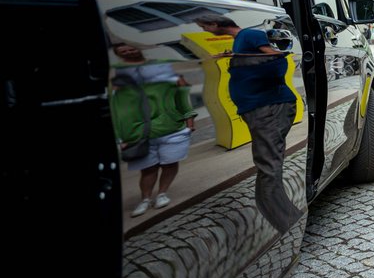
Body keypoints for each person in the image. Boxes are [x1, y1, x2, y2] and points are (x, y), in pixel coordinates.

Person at [195, 13, 303, 234]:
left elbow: (276, 57)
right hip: (263, 108)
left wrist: (240, 60)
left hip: (268, 108)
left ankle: (288, 224)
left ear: (215, 24)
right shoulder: (242, 40)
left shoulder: (250, 35)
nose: (205, 31)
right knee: (270, 164)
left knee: (268, 168)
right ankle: (284, 219)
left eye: (205, 27)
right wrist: (234, 57)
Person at [110, 43, 196, 217]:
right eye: (124, 52)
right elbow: (118, 111)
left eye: (131, 48)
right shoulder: (120, 82)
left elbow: (182, 96)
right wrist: (121, 137)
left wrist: (189, 122)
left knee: (170, 163)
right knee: (148, 168)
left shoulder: (165, 73)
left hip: (172, 127)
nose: (129, 52)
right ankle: (145, 199)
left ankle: (162, 193)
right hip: (139, 132)